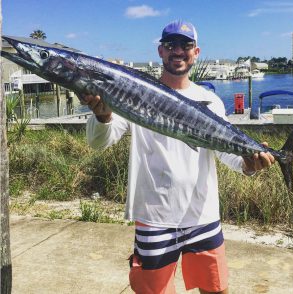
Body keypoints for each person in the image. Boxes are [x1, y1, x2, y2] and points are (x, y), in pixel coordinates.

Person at [84, 20, 275, 294]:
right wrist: (103, 115)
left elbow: (224, 151)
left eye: (186, 45)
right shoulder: (136, 92)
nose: (178, 50)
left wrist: (248, 163)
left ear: (195, 52)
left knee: (216, 289)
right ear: (160, 51)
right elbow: (99, 141)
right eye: (171, 44)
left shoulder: (209, 100)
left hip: (203, 216)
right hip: (154, 217)